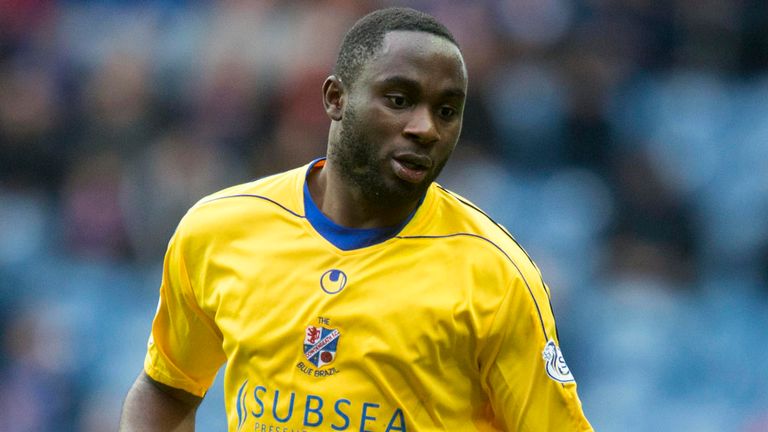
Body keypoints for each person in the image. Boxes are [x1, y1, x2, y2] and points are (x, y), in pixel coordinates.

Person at [119, 7, 592, 431]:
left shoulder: (495, 274)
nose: (426, 128)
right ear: (335, 98)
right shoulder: (218, 229)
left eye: (447, 111)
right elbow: (167, 388)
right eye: (399, 99)